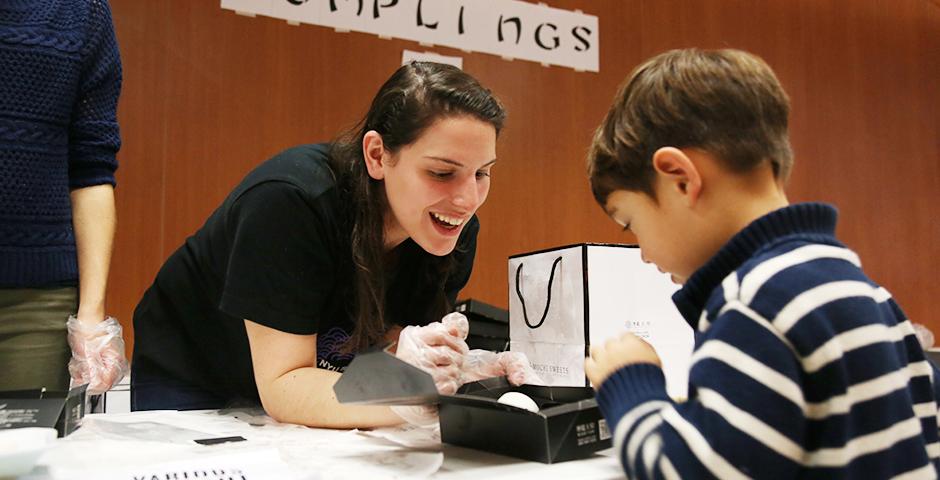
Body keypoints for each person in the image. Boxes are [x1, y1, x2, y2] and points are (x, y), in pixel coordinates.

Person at [583, 48, 939, 478]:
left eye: (630, 223)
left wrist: (631, 382)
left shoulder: (753, 304)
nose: (644, 254)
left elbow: (687, 472)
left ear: (680, 178)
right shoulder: (867, 291)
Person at [131, 61, 530, 429]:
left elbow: (386, 355)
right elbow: (285, 386)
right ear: (377, 155)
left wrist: (450, 373)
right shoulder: (289, 202)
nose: (466, 200)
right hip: (197, 371)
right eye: (442, 172)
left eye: (482, 173)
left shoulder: (451, 229)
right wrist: (398, 397)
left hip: (316, 374)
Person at [0, 0, 128, 394]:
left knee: (28, 450)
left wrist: (91, 315)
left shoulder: (81, 11)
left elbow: (91, 168)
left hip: (36, 302)